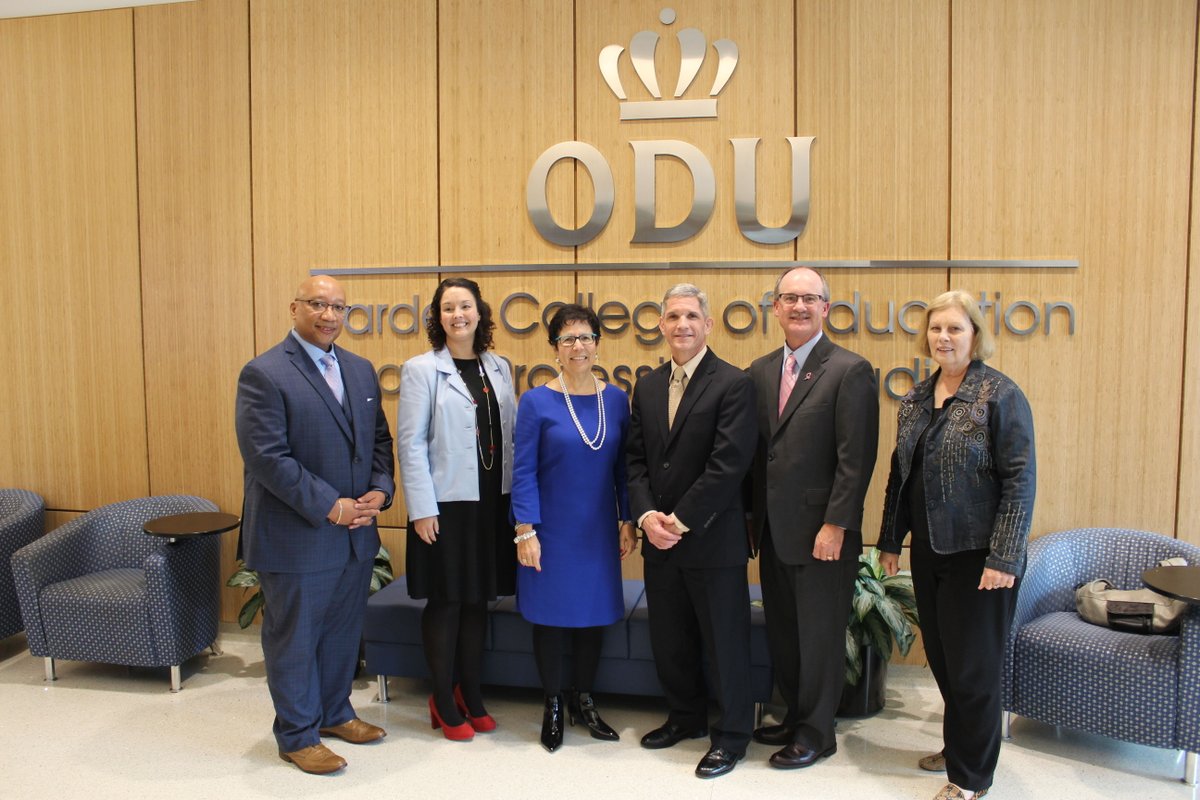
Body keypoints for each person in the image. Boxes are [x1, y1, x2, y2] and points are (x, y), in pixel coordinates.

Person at [879, 290, 1036, 800]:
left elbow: (1019, 481)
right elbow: (900, 476)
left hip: (980, 556)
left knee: (974, 667)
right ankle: (960, 747)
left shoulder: (999, 395)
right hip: (929, 552)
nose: (943, 338)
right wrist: (889, 541)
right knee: (945, 661)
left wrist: (1005, 556)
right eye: (936, 329)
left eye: (955, 329)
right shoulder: (917, 398)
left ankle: (970, 779)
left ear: (975, 336)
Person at [235, 274, 395, 775]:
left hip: (355, 536)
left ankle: (335, 714)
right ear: (294, 308)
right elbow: (268, 458)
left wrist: (380, 490)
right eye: (318, 304)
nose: (329, 315)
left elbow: (378, 443)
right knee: (296, 638)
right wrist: (334, 506)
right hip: (298, 535)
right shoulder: (264, 373)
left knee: (341, 633)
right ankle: (297, 735)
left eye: (338, 307)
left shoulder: (361, 370)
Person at [746, 266, 879, 769]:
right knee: (785, 633)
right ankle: (797, 715)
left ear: (826, 307)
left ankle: (818, 733)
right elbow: (758, 456)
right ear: (775, 307)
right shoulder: (759, 371)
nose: (799, 307)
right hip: (774, 532)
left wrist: (837, 524)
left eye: (810, 298)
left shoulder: (850, 370)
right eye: (789, 298)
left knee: (819, 637)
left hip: (823, 533)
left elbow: (856, 458)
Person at [626, 283, 758, 780]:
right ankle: (684, 717)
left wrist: (677, 522)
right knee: (672, 639)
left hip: (710, 539)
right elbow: (636, 460)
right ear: (660, 325)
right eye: (672, 316)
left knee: (724, 644)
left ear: (708, 324)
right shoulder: (649, 384)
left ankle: (730, 737)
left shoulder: (734, 383)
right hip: (659, 541)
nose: (681, 325)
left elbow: (728, 466)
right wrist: (645, 519)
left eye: (691, 316)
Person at [511, 304, 637, 753]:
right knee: (549, 619)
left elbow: (624, 469)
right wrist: (525, 530)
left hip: (597, 529)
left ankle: (584, 700)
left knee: (592, 618)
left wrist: (627, 519)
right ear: (555, 349)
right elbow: (522, 470)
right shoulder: (536, 401)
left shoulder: (618, 399)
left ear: (598, 344)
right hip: (549, 531)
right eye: (568, 339)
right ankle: (553, 704)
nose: (578, 346)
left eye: (585, 337)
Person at [396, 277, 517, 741]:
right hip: (445, 506)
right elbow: (411, 444)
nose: (458, 315)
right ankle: (443, 699)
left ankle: (472, 693)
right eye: (448, 308)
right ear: (437, 317)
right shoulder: (421, 369)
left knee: (477, 601)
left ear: (480, 312)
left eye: (465, 306)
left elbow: (509, 433)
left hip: (492, 502)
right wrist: (422, 509)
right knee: (446, 602)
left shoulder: (500, 366)